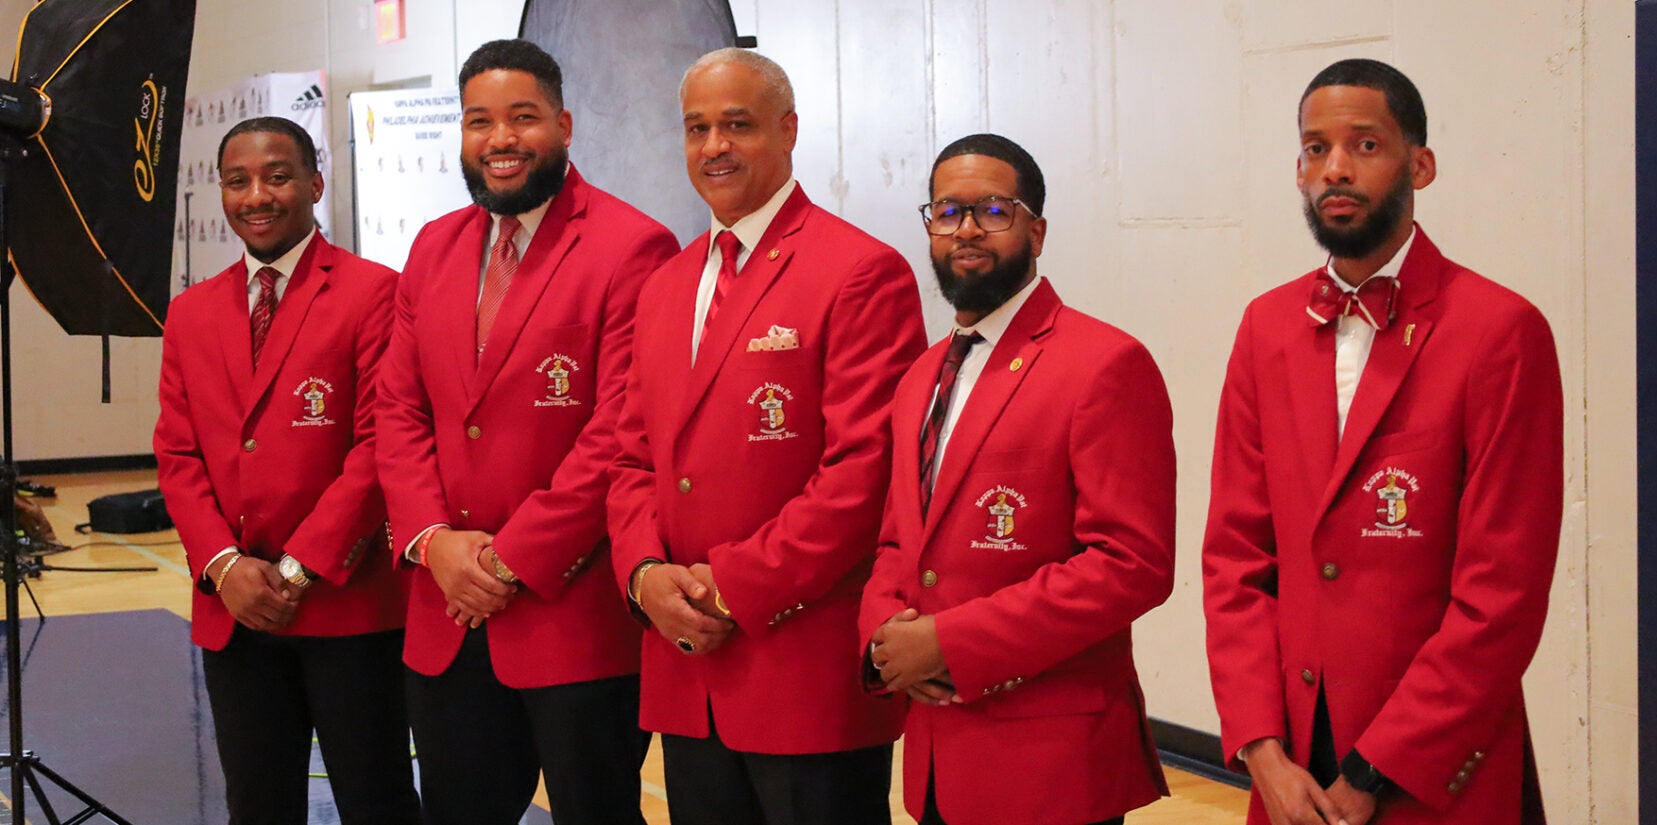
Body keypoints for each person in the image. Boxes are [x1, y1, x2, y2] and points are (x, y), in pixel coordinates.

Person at [1201, 58, 1563, 825]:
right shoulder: (1264, 328)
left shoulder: (1500, 331)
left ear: (1420, 165)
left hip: (1431, 766)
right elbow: (1236, 559)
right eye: (1314, 148)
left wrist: (1375, 768)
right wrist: (1261, 750)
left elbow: (1502, 595)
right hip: (1292, 757)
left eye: (1365, 145)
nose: (1335, 168)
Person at [606, 47, 927, 825]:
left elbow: (864, 473)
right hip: (686, 668)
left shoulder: (859, 272)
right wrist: (645, 573)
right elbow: (630, 457)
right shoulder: (665, 286)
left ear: (787, 131)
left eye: (737, 125)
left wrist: (729, 586)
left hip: (800, 673)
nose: (714, 146)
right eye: (697, 128)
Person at [375, 38, 678, 824]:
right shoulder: (432, 246)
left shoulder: (631, 246)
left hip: (571, 615)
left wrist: (510, 559)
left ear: (565, 124)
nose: (500, 140)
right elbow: (399, 410)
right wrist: (433, 541)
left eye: (522, 118)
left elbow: (620, 428)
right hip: (444, 609)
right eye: (480, 121)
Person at [858, 133, 1176, 825]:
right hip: (939, 757)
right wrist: (883, 635)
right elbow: (894, 541)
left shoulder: (1105, 363)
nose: (966, 228)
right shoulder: (920, 377)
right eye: (947, 211)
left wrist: (952, 642)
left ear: (1036, 229)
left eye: (992, 209)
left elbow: (1132, 564)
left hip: (1051, 763)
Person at [154, 116, 419, 824]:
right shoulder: (188, 314)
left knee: (378, 796)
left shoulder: (374, 292)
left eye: (276, 176)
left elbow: (377, 447)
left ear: (314, 183)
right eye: (237, 181)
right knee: (258, 804)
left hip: (345, 603)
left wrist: (298, 568)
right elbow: (178, 457)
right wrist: (223, 565)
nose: (257, 196)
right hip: (234, 609)